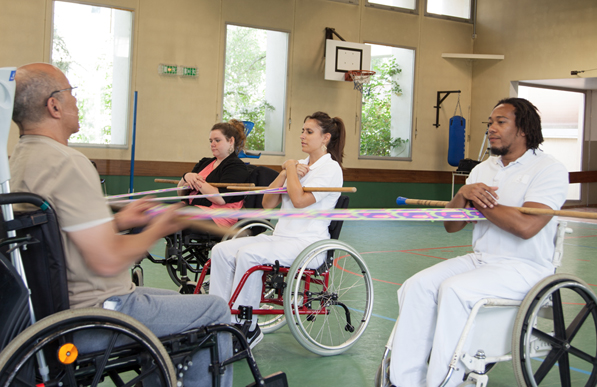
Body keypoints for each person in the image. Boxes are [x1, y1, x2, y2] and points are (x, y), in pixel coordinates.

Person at [9, 63, 233, 387]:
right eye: (71, 93)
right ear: (54, 106)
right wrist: (162, 225)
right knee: (214, 310)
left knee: (177, 301)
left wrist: (117, 221)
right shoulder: (69, 164)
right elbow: (108, 259)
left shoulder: (20, 161)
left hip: (54, 311)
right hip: (95, 312)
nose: (76, 101)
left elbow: (57, 236)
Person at [389, 98, 569, 387]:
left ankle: (442, 382)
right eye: (489, 123)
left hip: (526, 268)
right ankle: (404, 381)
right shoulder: (482, 170)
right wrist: (463, 194)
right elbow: (452, 225)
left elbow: (526, 227)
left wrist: (480, 203)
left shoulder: (549, 169)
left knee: (454, 290)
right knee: (417, 286)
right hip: (482, 260)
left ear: (522, 129)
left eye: (500, 122)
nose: (491, 129)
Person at [209, 111, 346, 348]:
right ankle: (223, 320)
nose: (302, 136)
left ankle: (247, 326)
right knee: (222, 251)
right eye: (303, 130)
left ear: (325, 138)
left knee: (249, 255)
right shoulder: (298, 165)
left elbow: (300, 201)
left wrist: (290, 169)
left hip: (307, 245)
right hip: (280, 237)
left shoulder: (331, 169)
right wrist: (284, 172)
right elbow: (267, 204)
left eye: (309, 132)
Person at [178, 119, 249, 228]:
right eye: (211, 141)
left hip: (218, 217)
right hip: (195, 208)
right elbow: (180, 193)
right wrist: (186, 176)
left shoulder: (236, 166)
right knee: (157, 211)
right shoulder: (204, 162)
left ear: (231, 141)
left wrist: (197, 181)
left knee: (173, 215)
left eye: (217, 140)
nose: (212, 144)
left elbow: (220, 199)